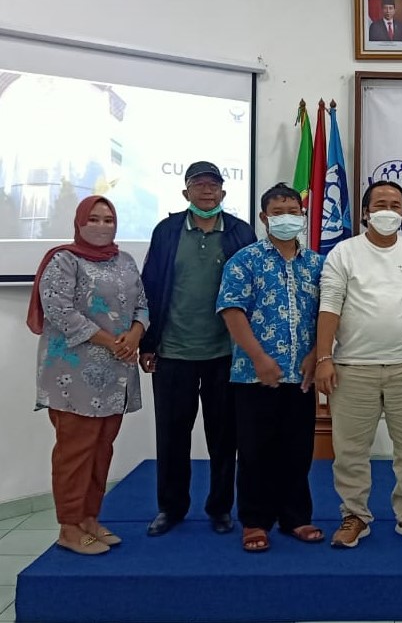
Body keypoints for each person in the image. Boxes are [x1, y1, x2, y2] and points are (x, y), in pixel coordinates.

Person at [315, 180, 402, 548]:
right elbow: (329, 305)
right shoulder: (344, 252)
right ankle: (354, 515)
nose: (388, 210)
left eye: (395, 205)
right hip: (353, 368)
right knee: (350, 451)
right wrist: (324, 357)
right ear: (366, 212)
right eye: (380, 204)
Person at [139, 161, 256, 537]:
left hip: (226, 354)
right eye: (199, 184)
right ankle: (171, 508)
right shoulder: (167, 231)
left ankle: (220, 508)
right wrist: (147, 343)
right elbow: (150, 286)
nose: (207, 190)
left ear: (223, 192)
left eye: (213, 185)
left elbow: (254, 289)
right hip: (173, 351)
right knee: (172, 436)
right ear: (185, 192)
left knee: (224, 438)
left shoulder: (240, 232)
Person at [27, 195, 148, 555]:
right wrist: (112, 342)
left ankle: (89, 519)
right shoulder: (63, 260)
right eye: (93, 219)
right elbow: (60, 311)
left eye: (108, 220)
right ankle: (69, 526)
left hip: (116, 375)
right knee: (74, 453)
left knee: (101, 449)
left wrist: (136, 333)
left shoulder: (124, 261)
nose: (101, 226)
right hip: (73, 376)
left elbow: (143, 303)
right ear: (79, 223)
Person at [216, 183, 325, 552]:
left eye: (293, 212)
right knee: (254, 451)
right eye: (278, 213)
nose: (286, 218)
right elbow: (232, 311)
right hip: (254, 375)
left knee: (298, 450)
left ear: (303, 216)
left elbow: (328, 315)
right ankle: (255, 520)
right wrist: (259, 358)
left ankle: (296, 517)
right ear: (264, 218)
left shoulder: (317, 265)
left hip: (302, 375)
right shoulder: (244, 260)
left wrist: (317, 354)